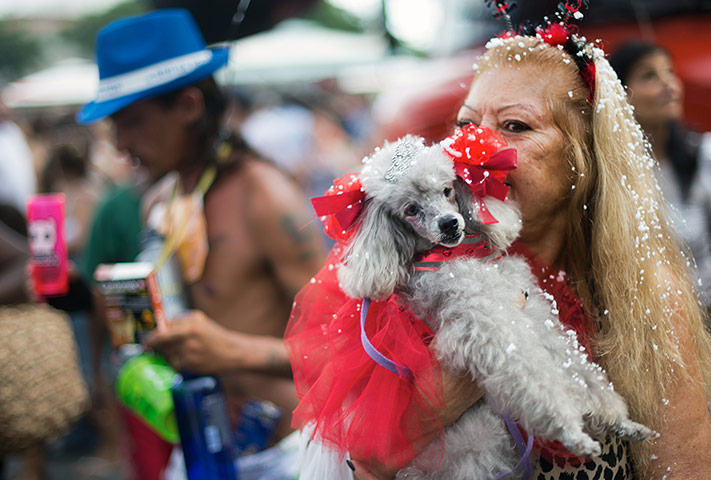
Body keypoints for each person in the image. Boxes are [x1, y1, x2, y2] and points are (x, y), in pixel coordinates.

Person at [334, 12, 711, 480]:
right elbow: (369, 464)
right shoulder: (416, 286)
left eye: (514, 126)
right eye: (465, 124)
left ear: (583, 156)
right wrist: (474, 349)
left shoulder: (643, 292)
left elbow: (686, 468)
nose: (473, 150)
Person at [77, 9, 325, 479]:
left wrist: (235, 351)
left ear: (189, 106)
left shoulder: (263, 196)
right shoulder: (162, 200)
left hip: (282, 456)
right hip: (197, 450)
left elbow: (342, 347)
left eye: (131, 120)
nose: (119, 142)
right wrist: (79, 296)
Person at [610, 40, 711, 312]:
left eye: (670, 72)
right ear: (619, 95)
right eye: (649, 75)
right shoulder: (609, 176)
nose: (669, 85)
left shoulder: (703, 155)